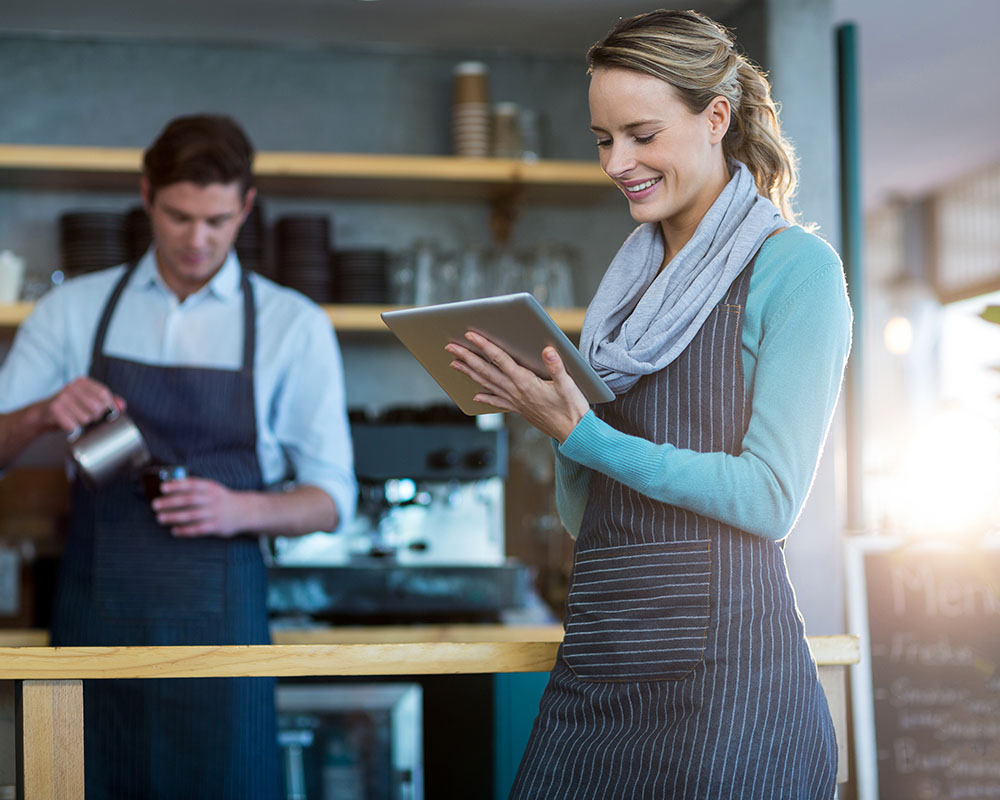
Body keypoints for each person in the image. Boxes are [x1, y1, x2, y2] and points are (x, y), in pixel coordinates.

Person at [447, 10, 851, 799]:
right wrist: (552, 424)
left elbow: (770, 500)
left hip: (726, 690)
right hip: (601, 659)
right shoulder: (630, 292)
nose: (616, 163)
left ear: (716, 118)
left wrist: (583, 434)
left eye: (640, 134)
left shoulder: (795, 270)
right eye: (603, 139)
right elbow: (590, 519)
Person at [0, 114, 356, 799]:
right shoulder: (72, 311)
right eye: (179, 216)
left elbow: (331, 499)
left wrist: (239, 508)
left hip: (225, 640)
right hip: (92, 633)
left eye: (218, 220)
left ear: (246, 207)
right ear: (146, 196)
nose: (197, 240)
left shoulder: (293, 325)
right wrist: (44, 413)